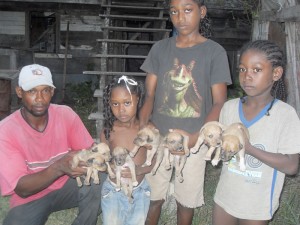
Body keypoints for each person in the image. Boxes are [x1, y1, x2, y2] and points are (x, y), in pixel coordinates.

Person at [139, 0, 232, 224]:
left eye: (188, 10)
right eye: (174, 12)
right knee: (153, 197)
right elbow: (149, 95)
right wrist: (144, 125)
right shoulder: (159, 49)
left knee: (186, 201)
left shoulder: (214, 52)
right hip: (159, 139)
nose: (181, 17)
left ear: (201, 12)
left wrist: (196, 138)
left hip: (193, 140)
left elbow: (219, 102)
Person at [0, 64, 105, 225]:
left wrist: (92, 158)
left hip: (67, 186)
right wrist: (58, 167)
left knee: (101, 178)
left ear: (52, 92)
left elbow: (90, 152)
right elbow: (22, 189)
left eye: (45, 90)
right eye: (32, 91)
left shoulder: (65, 115)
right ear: (19, 92)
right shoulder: (6, 130)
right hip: (31, 197)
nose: (40, 98)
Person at [212, 40, 300, 225]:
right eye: (243, 69)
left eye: (256, 70)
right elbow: (221, 147)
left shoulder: (285, 115)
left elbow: (291, 166)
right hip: (225, 196)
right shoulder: (229, 108)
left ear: (276, 73)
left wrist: (249, 148)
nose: (247, 76)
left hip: (256, 205)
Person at [100, 75, 154, 225]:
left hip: (139, 191)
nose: (121, 110)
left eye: (127, 103)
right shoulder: (109, 130)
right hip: (113, 190)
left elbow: (156, 157)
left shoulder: (148, 129)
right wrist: (109, 167)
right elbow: (101, 159)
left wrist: (140, 170)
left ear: (138, 100)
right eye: (115, 104)